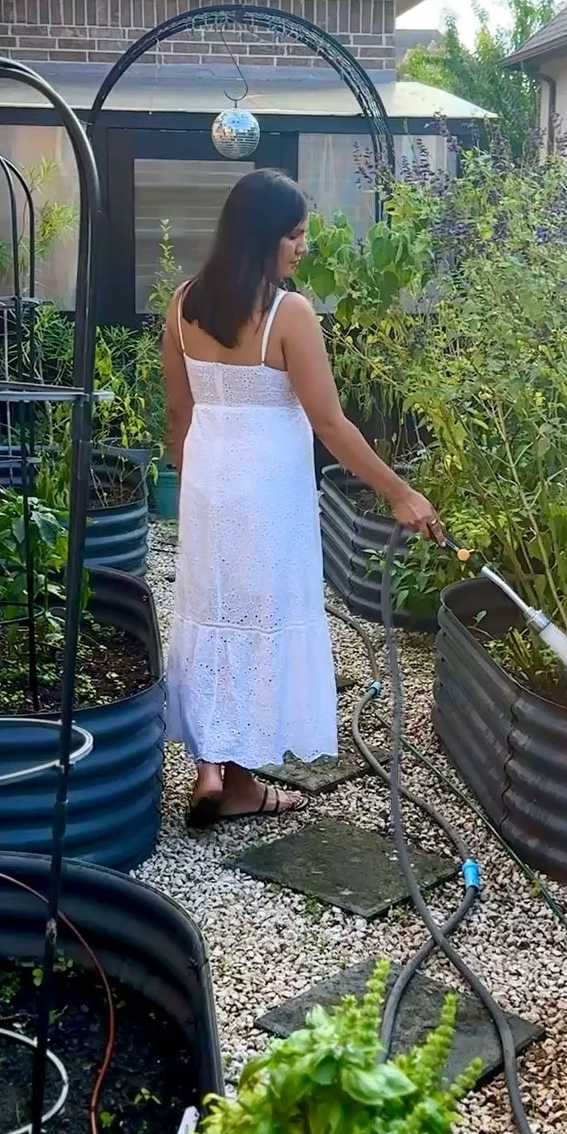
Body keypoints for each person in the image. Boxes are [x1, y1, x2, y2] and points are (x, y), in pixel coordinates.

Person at [162, 167, 444, 827]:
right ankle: (235, 785)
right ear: (261, 239)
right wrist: (401, 494)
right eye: (294, 236)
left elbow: (179, 416)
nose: (302, 247)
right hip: (268, 499)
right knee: (258, 620)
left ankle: (210, 766)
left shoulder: (182, 305)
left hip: (208, 488)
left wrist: (199, 484)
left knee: (213, 613)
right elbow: (330, 424)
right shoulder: (288, 314)